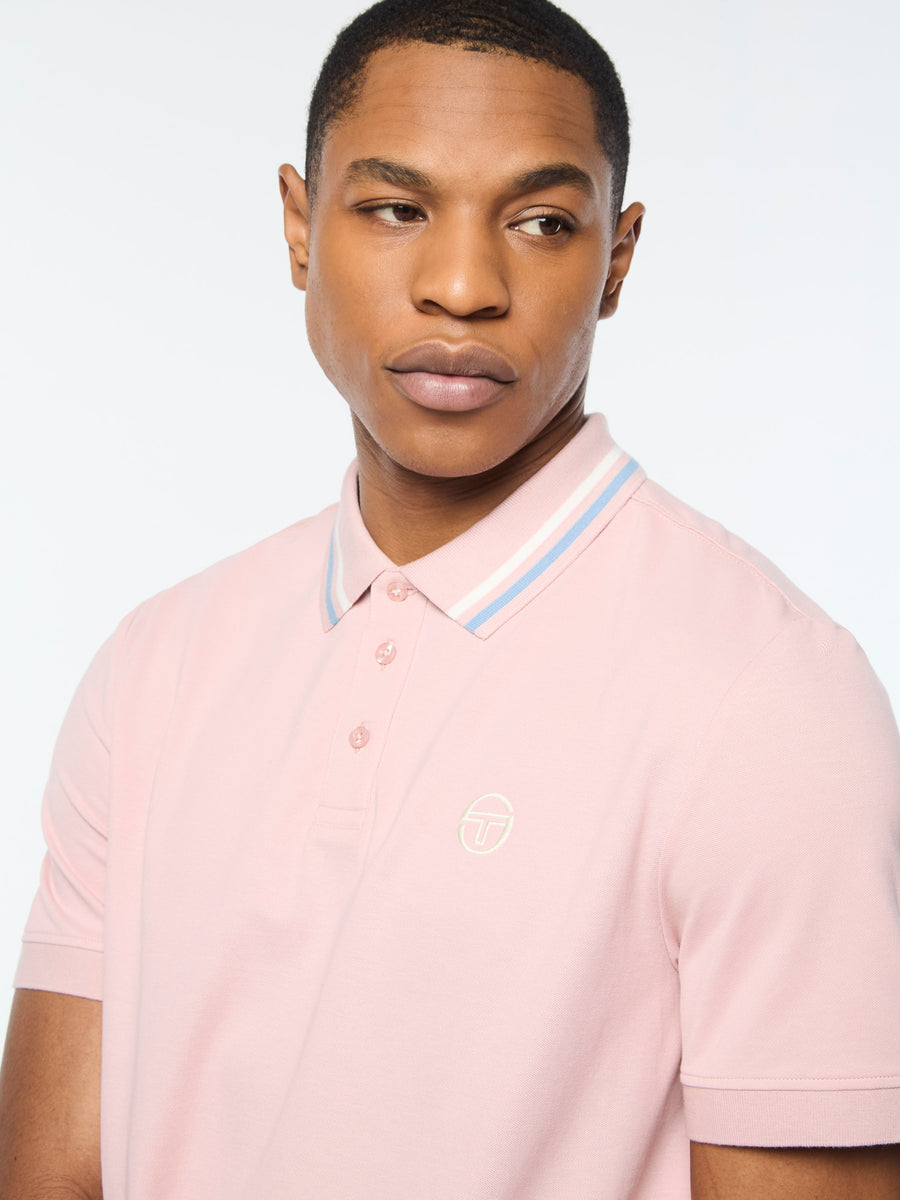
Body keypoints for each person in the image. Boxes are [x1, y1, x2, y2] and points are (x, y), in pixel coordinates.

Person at [1, 0, 899, 1195]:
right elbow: (51, 1171)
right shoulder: (155, 665)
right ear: (299, 228)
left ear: (617, 259)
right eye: (396, 209)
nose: (464, 285)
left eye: (541, 222)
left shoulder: (771, 697)